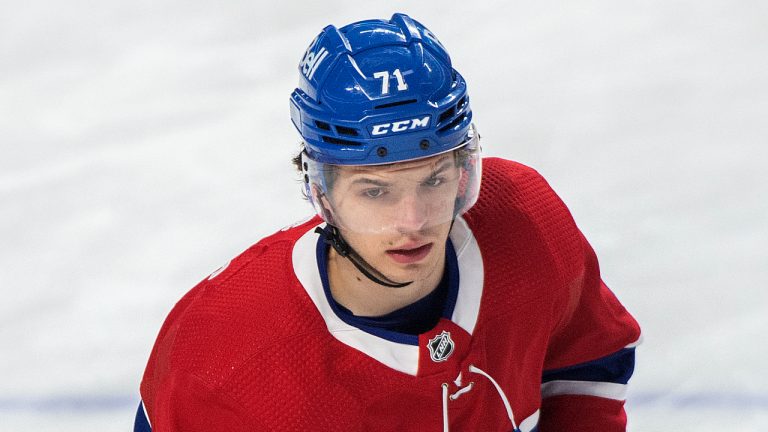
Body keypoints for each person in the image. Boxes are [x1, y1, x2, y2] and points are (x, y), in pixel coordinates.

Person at [134, 13, 641, 432]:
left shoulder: (526, 220)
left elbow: (587, 363)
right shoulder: (225, 355)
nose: (413, 221)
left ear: (464, 169)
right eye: (375, 191)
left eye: (434, 180)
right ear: (321, 191)